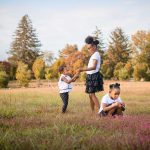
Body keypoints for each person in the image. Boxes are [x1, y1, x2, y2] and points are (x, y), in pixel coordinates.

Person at [77, 36, 104, 113]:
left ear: (94, 46)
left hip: (93, 76)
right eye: (87, 48)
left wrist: (82, 69)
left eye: (89, 48)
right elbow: (90, 66)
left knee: (92, 94)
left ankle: (101, 111)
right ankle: (92, 111)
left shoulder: (96, 54)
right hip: (90, 76)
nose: (88, 50)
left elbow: (94, 67)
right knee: (90, 95)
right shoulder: (94, 55)